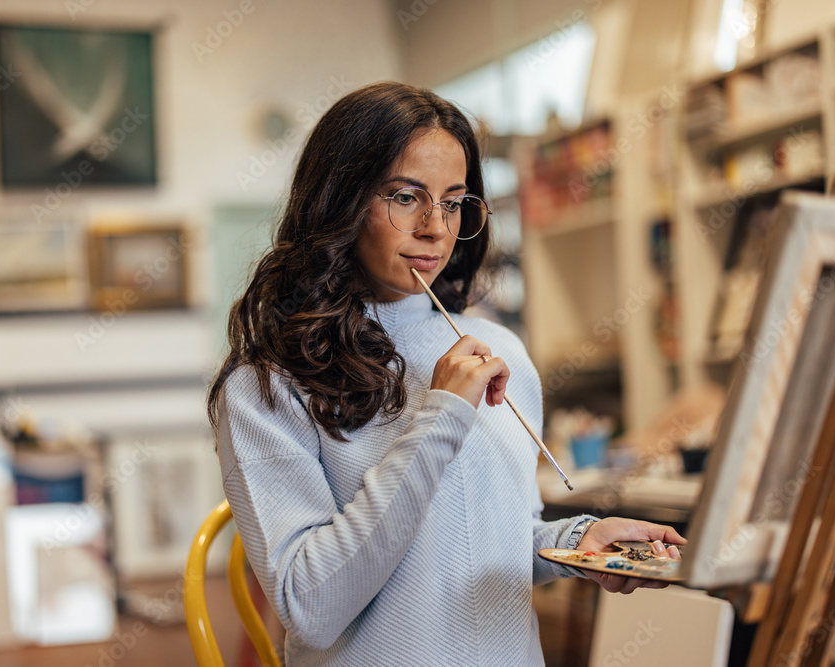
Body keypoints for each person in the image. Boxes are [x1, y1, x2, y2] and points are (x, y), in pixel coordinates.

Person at [207, 81, 684, 666]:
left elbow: (485, 539)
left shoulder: (495, 348)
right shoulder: (269, 385)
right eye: (406, 197)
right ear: (341, 200)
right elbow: (311, 605)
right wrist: (440, 417)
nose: (436, 226)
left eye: (454, 201)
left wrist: (574, 541)